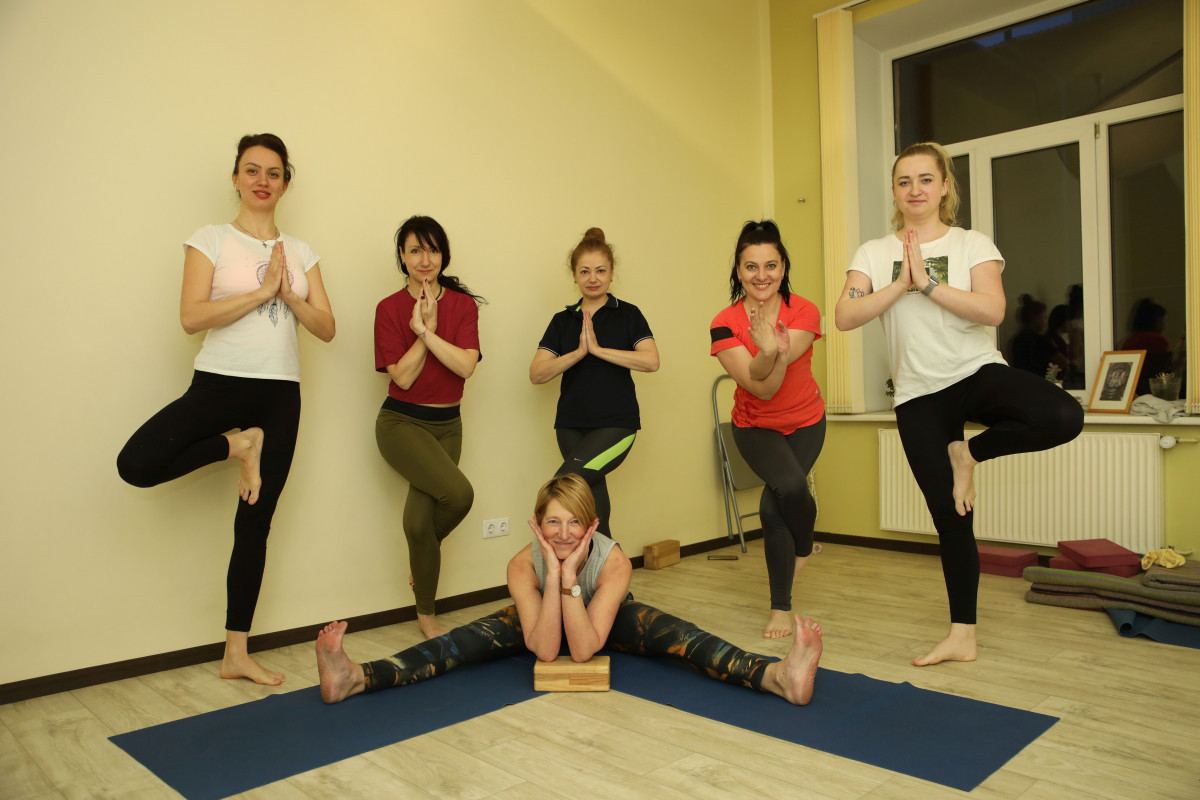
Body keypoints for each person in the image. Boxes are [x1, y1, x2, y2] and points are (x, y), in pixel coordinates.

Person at [834, 142, 1083, 667]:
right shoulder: (874, 252)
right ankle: (962, 636)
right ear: (894, 190)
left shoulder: (971, 243)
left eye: (926, 179)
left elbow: (992, 311)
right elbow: (845, 316)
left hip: (974, 373)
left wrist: (927, 284)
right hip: (917, 395)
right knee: (952, 518)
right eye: (904, 181)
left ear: (945, 186)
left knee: (1063, 415)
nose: (915, 190)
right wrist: (900, 282)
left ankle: (968, 454)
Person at [116, 133, 336, 685]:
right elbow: (191, 317)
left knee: (254, 523)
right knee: (137, 462)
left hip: (280, 391)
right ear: (235, 178)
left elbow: (327, 328)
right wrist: (261, 292)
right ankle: (240, 445)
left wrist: (289, 293)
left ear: (286, 184)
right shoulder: (210, 239)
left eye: (274, 172)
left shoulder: (302, 252)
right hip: (219, 382)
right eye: (252, 170)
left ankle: (236, 653)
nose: (263, 180)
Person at [315, 474, 823, 707]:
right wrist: (555, 581)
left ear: (592, 525)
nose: (562, 534)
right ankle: (354, 678)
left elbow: (582, 650)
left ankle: (778, 676)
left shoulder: (614, 562)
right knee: (458, 644)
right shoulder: (522, 564)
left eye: (574, 523)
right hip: (541, 617)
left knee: (684, 638)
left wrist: (570, 579)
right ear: (537, 524)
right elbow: (544, 647)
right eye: (552, 522)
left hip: (604, 619)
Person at [709, 220, 825, 640]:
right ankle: (791, 581)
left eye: (771, 265)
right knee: (787, 490)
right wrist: (769, 348)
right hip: (754, 427)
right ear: (739, 271)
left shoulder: (805, 312)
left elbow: (778, 369)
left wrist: (771, 349)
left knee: (776, 504)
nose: (762, 275)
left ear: (783, 267)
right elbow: (759, 385)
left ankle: (784, 594)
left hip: (806, 421)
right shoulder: (723, 323)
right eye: (752, 266)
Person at [374, 215, 484, 639]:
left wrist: (429, 332)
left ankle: (422, 594)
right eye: (415, 250)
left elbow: (466, 367)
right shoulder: (388, 309)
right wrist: (421, 332)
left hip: (448, 425)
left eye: (432, 250)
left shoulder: (463, 306)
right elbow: (401, 378)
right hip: (400, 424)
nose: (425, 259)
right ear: (402, 257)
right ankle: (427, 614)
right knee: (460, 494)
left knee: (420, 526)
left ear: (444, 255)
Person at [529, 228, 659, 537]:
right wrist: (578, 353)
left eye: (600, 270)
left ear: (612, 273)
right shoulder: (563, 321)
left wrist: (599, 350)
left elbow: (651, 361)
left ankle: (542, 560)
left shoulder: (628, 314)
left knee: (562, 488)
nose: (593, 278)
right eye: (584, 271)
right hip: (570, 426)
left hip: (616, 425)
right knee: (593, 509)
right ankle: (609, 568)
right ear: (574, 275)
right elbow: (537, 374)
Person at [1006, 294, 1067, 378]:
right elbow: (1062, 362)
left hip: (1021, 381)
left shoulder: (1016, 339)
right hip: (1038, 381)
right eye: (1044, 317)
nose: (1045, 322)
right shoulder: (1039, 340)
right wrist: (1050, 378)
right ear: (1035, 318)